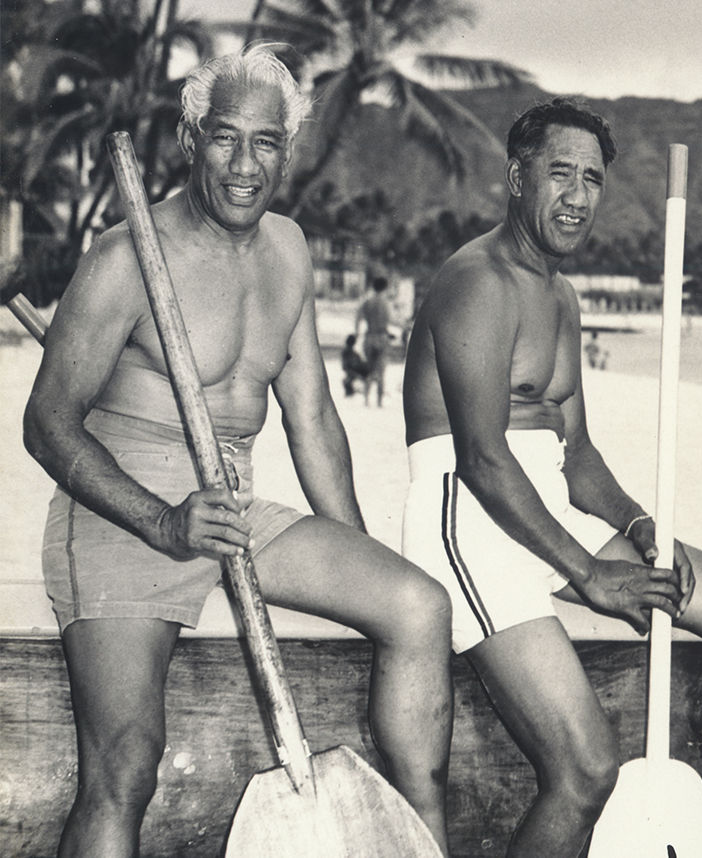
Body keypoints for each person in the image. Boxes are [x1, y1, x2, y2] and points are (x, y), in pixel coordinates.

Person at [22, 44, 452, 854]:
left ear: (288, 150)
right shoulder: (125, 257)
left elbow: (314, 418)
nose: (244, 163)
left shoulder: (288, 250)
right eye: (225, 137)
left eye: (265, 141)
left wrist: (354, 556)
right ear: (190, 141)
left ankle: (416, 836)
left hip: (233, 502)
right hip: (121, 508)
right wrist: (161, 524)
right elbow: (46, 423)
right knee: (125, 764)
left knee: (417, 606)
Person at [399, 98, 702, 857]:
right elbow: (483, 457)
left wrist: (641, 529)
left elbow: (575, 456)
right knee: (585, 768)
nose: (577, 197)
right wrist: (589, 575)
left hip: (540, 513)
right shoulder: (478, 281)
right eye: (559, 174)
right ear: (516, 176)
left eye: (593, 180)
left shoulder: (560, 295)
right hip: (468, 518)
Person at [355, 274, 394, 406]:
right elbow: (392, 320)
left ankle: (366, 399)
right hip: (382, 337)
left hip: (369, 336)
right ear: (385, 288)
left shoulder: (367, 302)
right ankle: (379, 401)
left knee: (370, 369)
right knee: (381, 370)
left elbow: (358, 319)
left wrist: (357, 334)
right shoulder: (386, 303)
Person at [341, 332, 370, 396]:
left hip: (354, 370)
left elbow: (357, 363)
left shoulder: (352, 352)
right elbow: (349, 365)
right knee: (347, 381)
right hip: (353, 371)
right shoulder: (348, 352)